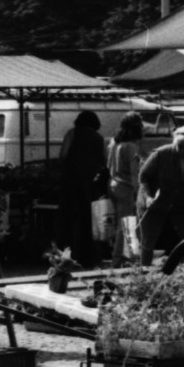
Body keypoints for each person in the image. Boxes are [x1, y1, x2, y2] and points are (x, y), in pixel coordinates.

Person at [136, 125, 184, 265]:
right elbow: (143, 177)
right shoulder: (160, 154)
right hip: (154, 205)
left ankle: (180, 272)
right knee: (147, 241)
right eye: (180, 146)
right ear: (175, 142)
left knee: (183, 241)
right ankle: (144, 272)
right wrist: (148, 197)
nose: (183, 151)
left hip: (180, 207)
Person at [58, 110, 110, 268]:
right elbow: (104, 161)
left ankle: (67, 255)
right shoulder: (99, 138)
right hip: (90, 185)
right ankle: (88, 256)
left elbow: (63, 155)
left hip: (70, 183)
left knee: (68, 220)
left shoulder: (71, 133)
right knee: (89, 220)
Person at [108, 113, 146, 263]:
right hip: (126, 186)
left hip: (113, 183)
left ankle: (126, 256)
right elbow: (134, 173)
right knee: (127, 225)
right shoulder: (131, 147)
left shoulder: (114, 143)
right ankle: (118, 259)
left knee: (121, 223)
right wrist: (139, 192)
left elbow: (108, 166)